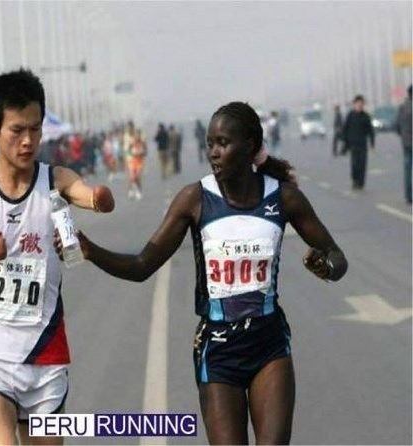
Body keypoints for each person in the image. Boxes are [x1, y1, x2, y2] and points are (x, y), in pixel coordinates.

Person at [56, 102, 348, 444]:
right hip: (218, 351)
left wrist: (327, 266)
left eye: (223, 143)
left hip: (269, 345)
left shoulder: (283, 197)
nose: (213, 153)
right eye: (210, 143)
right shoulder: (195, 199)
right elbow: (142, 266)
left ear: (250, 145)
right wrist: (90, 251)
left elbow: (337, 257)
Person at [0, 68, 115, 445]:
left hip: (45, 353)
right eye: (17, 130)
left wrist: (99, 198)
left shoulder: (55, 180)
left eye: (35, 129)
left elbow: (87, 195)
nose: (28, 141)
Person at [342, 94, 374, 190]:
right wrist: (345, 142)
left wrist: (372, 143)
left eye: (361, 103)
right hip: (353, 144)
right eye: (358, 103)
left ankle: (361, 183)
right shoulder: (350, 116)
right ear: (354, 104)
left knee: (362, 165)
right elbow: (345, 129)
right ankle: (355, 180)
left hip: (362, 145)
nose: (360, 105)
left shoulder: (366, 116)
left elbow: (370, 131)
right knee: (355, 164)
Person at [396, 85, 412, 205]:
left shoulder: (402, 107)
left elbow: (396, 125)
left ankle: (408, 195)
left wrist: (403, 135)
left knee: (407, 169)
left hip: (406, 142)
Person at [127, 129, 147, 200]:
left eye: (138, 134)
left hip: (140, 162)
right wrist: (133, 153)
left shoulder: (143, 143)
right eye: (136, 134)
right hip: (132, 162)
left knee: (137, 177)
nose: (137, 136)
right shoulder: (132, 142)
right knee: (132, 177)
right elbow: (128, 151)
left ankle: (139, 191)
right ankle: (131, 190)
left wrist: (141, 153)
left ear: (140, 135)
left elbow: (145, 152)